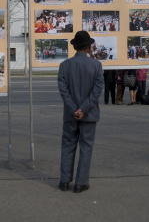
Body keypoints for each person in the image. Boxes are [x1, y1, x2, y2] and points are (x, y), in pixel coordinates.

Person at [57, 31, 103, 193]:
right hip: (89, 114)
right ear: (89, 47)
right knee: (86, 147)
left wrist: (74, 109)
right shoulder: (96, 65)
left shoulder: (64, 65)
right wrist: (83, 109)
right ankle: (80, 183)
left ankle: (64, 181)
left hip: (70, 114)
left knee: (68, 145)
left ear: (74, 46)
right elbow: (97, 91)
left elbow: (63, 91)